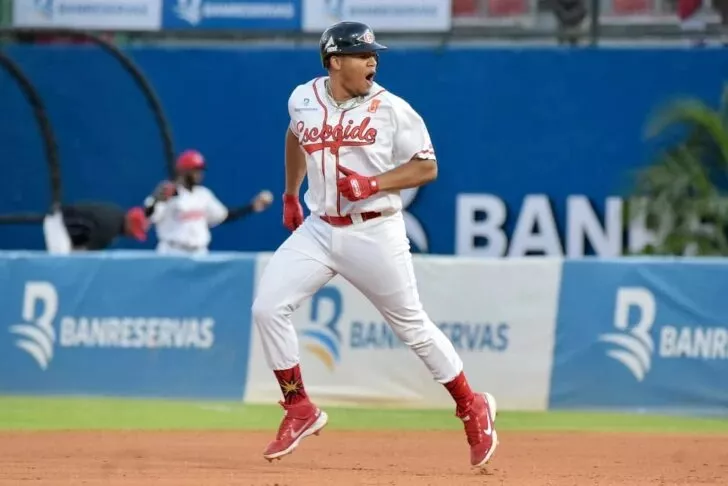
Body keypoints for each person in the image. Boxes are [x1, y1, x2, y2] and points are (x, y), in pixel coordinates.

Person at [251, 21, 498, 468]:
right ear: (334, 61)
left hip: (374, 230)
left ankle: (470, 404)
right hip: (320, 229)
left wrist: (375, 183)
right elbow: (295, 134)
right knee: (267, 308)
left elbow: (427, 168)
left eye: (374, 54)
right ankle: (298, 407)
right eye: (362, 54)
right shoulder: (303, 98)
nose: (373, 62)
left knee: (412, 328)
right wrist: (290, 192)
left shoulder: (393, 109)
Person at [144, 149, 273, 255]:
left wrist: (251, 207)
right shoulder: (167, 193)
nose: (199, 174)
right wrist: (156, 199)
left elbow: (223, 215)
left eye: (200, 170)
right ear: (184, 171)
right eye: (195, 170)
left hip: (199, 253)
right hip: (172, 252)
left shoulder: (203, 195)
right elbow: (148, 218)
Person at [43, 202, 149, 253]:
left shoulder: (116, 218)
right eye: (133, 231)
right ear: (129, 222)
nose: (131, 235)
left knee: (68, 264)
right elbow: (89, 254)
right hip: (59, 223)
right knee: (61, 264)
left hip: (67, 228)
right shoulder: (111, 227)